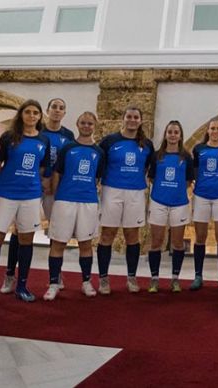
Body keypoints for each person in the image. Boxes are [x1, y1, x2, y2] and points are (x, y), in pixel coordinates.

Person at [0, 99, 51, 306]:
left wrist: (32, 185)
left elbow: (42, 168)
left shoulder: (43, 141)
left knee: (26, 239)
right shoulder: (10, 137)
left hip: (30, 196)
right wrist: (5, 182)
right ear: (21, 115)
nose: (31, 116)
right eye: (28, 112)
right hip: (5, 195)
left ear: (39, 117)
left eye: (35, 113)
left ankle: (21, 286)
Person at [2, 97, 75, 295]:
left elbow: (66, 162)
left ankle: (55, 275)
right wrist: (42, 178)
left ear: (64, 112)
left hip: (54, 187)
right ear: (48, 111)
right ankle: (10, 274)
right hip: (32, 185)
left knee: (56, 230)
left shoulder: (68, 135)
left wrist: (54, 181)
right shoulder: (36, 130)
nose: (57, 111)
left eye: (61, 108)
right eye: (54, 107)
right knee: (20, 230)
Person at [43, 111, 105, 300]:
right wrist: (55, 193)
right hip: (64, 200)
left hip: (88, 201)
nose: (86, 126)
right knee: (58, 243)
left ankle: (86, 282)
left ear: (95, 126)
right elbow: (57, 173)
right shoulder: (68, 147)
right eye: (83, 122)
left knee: (85, 243)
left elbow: (97, 178)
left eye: (90, 123)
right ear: (78, 124)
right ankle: (54, 283)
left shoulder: (99, 152)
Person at [96, 106, 155, 295]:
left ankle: (131, 277)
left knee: (132, 236)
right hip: (111, 190)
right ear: (123, 118)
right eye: (129, 116)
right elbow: (100, 164)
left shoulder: (146, 144)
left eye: (136, 117)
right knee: (107, 234)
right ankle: (104, 278)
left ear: (140, 121)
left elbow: (147, 168)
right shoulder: (109, 141)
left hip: (136, 192)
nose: (132, 120)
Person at [147, 120, 194, 293]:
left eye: (176, 132)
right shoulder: (157, 155)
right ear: (165, 134)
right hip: (158, 201)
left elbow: (189, 181)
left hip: (179, 203)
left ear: (180, 135)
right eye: (170, 132)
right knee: (156, 241)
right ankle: (154, 278)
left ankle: (175, 278)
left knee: (177, 242)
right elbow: (151, 177)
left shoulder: (186, 157)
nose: (173, 135)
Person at [191, 118, 218, 290]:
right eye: (212, 128)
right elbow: (194, 170)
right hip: (201, 196)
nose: (215, 131)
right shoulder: (199, 149)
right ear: (208, 130)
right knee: (200, 237)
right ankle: (198, 276)